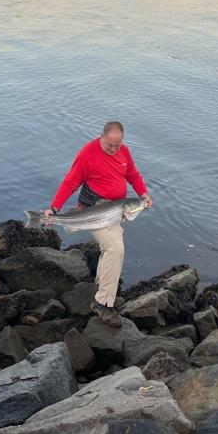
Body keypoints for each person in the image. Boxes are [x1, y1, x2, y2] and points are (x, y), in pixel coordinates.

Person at [44, 121, 152, 327]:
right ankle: (103, 304)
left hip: (115, 212)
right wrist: (54, 209)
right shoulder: (88, 153)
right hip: (94, 212)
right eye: (110, 145)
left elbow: (133, 175)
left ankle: (102, 284)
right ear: (101, 136)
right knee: (115, 249)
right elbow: (70, 182)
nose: (113, 149)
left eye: (117, 146)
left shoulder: (124, 152)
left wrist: (143, 193)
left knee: (111, 249)